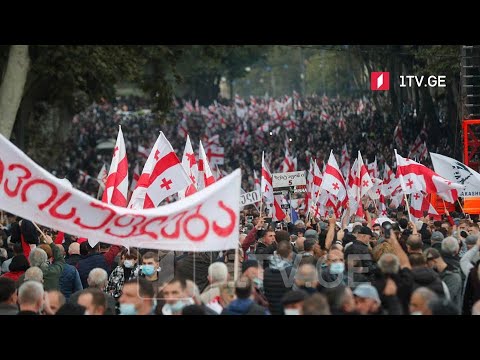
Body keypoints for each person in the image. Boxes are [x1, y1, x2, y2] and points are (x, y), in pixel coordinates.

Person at [263, 241, 296, 315]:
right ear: (290, 253)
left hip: (270, 310)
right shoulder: (292, 272)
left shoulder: (266, 271)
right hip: (287, 310)